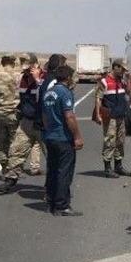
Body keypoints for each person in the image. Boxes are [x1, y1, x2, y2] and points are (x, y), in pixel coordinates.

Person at [0, 53, 44, 194]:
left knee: (52, 155)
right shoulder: (22, 78)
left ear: (35, 63)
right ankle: (10, 179)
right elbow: (19, 98)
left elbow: (47, 96)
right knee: (16, 151)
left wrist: (37, 80)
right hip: (26, 122)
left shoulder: (44, 77)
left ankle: (54, 186)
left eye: (25, 61)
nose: (23, 63)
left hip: (42, 123)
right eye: (21, 61)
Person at [42, 64, 83, 216]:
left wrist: (48, 131)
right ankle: (62, 205)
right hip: (63, 138)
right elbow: (69, 116)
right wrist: (77, 136)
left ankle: (51, 202)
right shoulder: (65, 93)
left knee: (52, 170)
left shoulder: (48, 92)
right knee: (64, 172)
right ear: (67, 78)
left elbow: (45, 116)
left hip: (50, 137)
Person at [92, 58, 131, 178]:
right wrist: (98, 114)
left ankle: (118, 166)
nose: (123, 71)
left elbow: (128, 92)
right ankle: (107, 168)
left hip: (120, 115)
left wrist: (128, 80)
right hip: (110, 117)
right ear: (115, 67)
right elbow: (98, 98)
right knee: (110, 141)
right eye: (122, 69)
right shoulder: (104, 81)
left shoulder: (122, 81)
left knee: (120, 141)